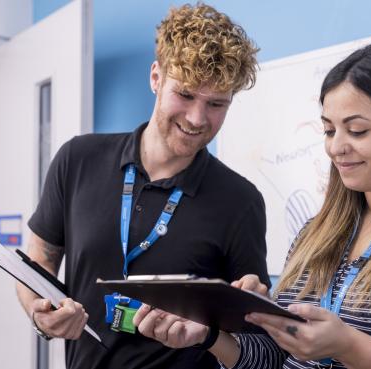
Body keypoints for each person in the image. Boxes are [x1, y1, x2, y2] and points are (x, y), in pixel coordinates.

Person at [133, 43, 371, 369]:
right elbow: (277, 358)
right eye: (330, 130)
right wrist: (210, 336)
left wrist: (348, 345)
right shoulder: (315, 232)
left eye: (358, 131)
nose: (337, 147)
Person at [15, 3, 271, 369]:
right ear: (156, 77)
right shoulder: (77, 159)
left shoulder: (241, 201)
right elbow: (39, 259)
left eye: (216, 104)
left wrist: (249, 304)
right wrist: (40, 313)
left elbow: (250, 341)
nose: (198, 119)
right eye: (184, 95)